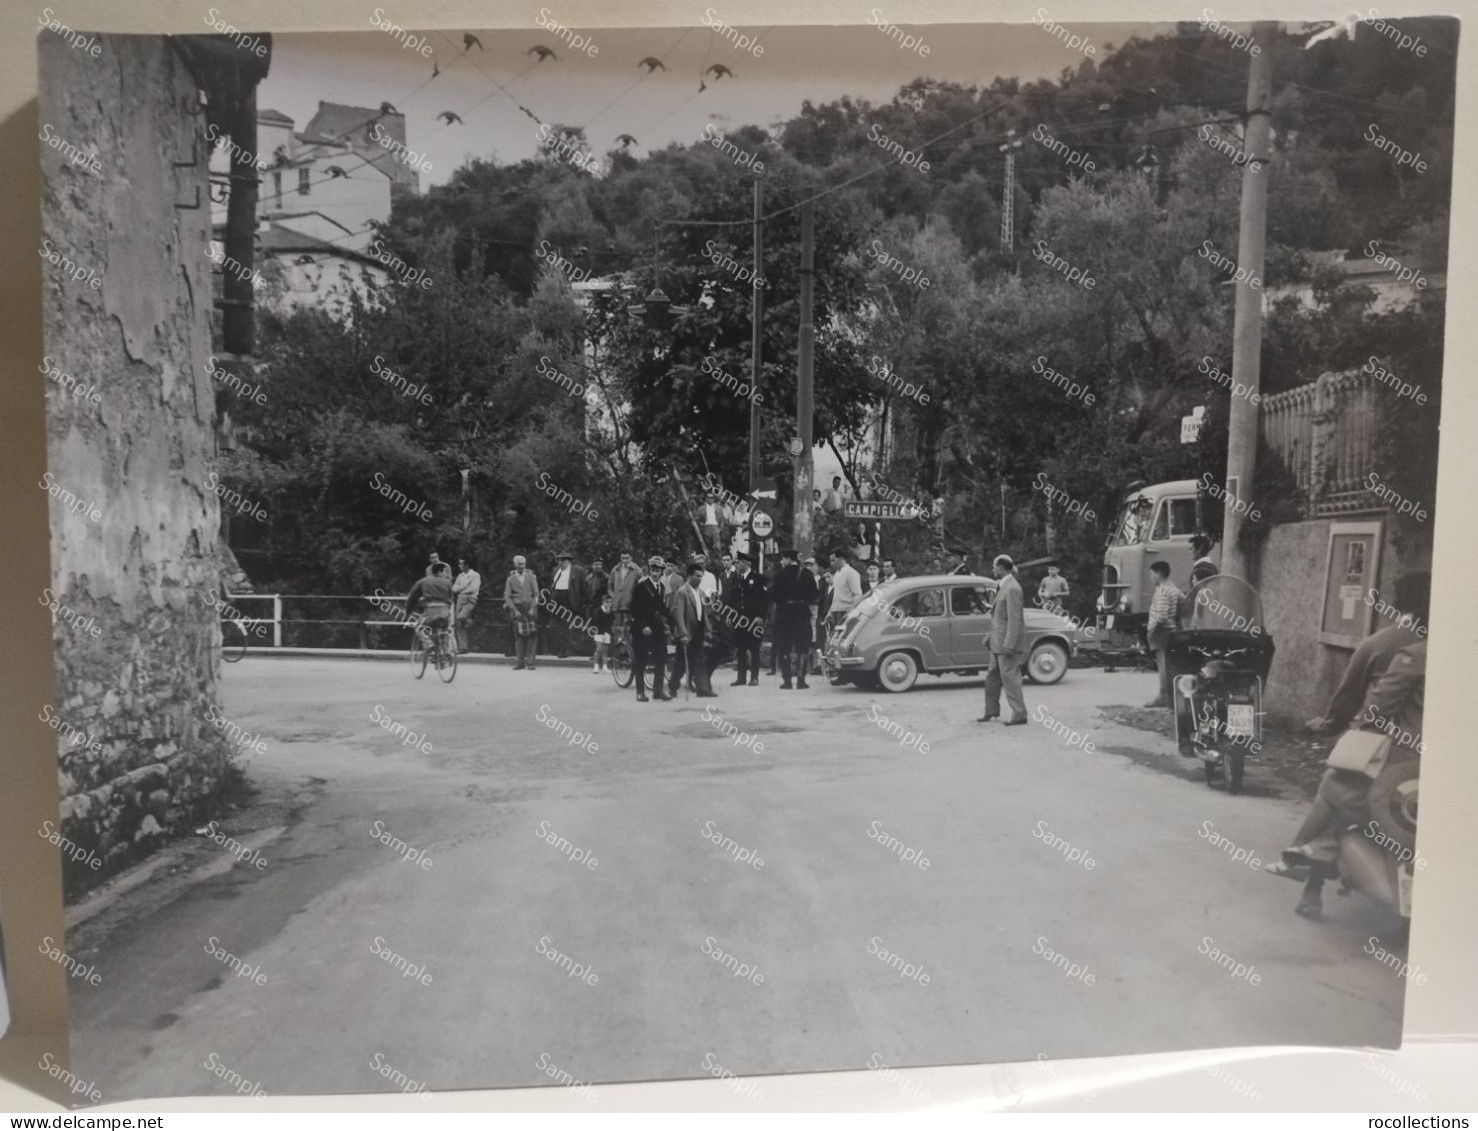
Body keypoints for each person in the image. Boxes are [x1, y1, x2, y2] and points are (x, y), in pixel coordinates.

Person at [1267, 640, 1426, 916]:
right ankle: (1314, 852)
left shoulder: (1404, 649)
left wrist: (1343, 727)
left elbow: (1369, 705)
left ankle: (1311, 872)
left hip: (1407, 769)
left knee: (1335, 786)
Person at [979, 554, 1027, 725]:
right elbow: (999, 618)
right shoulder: (1003, 586)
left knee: (1010, 679)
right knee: (992, 678)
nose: (992, 570)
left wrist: (1010, 643)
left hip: (1005, 645)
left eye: (994, 566)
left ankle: (1019, 714)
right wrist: (990, 637)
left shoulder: (1012, 588)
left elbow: (1015, 619)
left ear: (1000, 567)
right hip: (997, 643)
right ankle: (990, 711)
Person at [668, 562, 718, 698]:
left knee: (700, 661)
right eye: (697, 576)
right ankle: (672, 685)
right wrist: (683, 633)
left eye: (701, 576)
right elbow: (678, 615)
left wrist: (708, 631)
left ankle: (702, 689)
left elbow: (704, 614)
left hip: (698, 631)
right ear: (689, 576)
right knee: (681, 665)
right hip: (687, 633)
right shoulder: (682, 592)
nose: (699, 579)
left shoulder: (700, 593)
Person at [771, 548, 819, 689]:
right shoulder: (806, 574)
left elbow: (774, 596)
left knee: (784, 647)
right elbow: (814, 595)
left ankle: (786, 681)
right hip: (802, 614)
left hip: (784, 615)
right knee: (802, 647)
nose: (781, 562)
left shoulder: (780, 574)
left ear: (787, 559)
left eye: (782, 559)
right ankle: (801, 680)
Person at [630, 556, 673, 702]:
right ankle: (640, 692)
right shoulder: (641, 587)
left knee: (661, 658)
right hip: (642, 629)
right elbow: (634, 609)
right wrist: (642, 626)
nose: (655, 573)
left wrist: (673, 617)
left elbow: (661, 609)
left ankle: (658, 690)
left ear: (662, 572)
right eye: (653, 570)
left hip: (657, 629)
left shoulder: (661, 587)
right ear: (649, 570)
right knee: (640, 660)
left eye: (658, 571)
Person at [1143, 560, 1185, 708]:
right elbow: (1184, 601)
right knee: (1168, 664)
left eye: (1152, 573)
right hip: (1172, 630)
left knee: (1162, 665)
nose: (1150, 577)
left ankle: (1163, 697)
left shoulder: (1161, 591)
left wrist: (1152, 631)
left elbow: (1161, 615)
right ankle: (1170, 697)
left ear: (1158, 574)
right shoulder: (1173, 588)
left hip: (1161, 631)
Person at [726, 552, 768, 686]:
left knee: (754, 648)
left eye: (739, 562)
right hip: (739, 619)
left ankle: (754, 677)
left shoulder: (758, 578)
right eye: (736, 562)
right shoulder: (736, 578)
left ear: (747, 563)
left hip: (753, 619)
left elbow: (764, 600)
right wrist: (729, 614)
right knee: (741, 648)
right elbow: (732, 598)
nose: (736, 565)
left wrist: (761, 616)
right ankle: (741, 677)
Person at [406, 563, 455, 655]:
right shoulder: (448, 583)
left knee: (419, 627)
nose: (446, 575)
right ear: (439, 572)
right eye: (445, 572)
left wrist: (409, 611)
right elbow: (451, 599)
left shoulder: (423, 582)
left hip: (430, 612)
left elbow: (412, 597)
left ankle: (429, 645)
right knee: (444, 631)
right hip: (445, 613)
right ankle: (445, 652)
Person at [503, 555, 540, 671]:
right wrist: (514, 610)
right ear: (515, 565)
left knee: (532, 636)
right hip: (517, 608)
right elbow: (507, 597)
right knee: (518, 636)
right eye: (519, 564)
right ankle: (520, 662)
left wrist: (532, 608)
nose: (521, 566)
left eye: (523, 564)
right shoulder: (510, 579)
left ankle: (530, 662)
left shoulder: (530, 577)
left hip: (530, 608)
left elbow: (536, 594)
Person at [549, 551, 585, 658]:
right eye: (559, 560)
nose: (560, 563)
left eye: (562, 560)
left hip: (569, 599)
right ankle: (569, 646)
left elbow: (583, 586)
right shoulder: (556, 570)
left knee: (566, 625)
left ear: (568, 561)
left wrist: (580, 601)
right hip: (556, 599)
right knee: (553, 625)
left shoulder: (577, 570)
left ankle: (566, 649)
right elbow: (552, 584)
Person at [826, 547, 863, 635]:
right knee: (835, 639)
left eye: (833, 560)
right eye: (830, 561)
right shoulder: (837, 574)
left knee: (844, 638)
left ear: (841, 559)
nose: (831, 564)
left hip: (845, 612)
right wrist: (830, 611)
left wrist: (851, 613)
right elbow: (837, 595)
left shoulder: (851, 573)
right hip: (836, 612)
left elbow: (858, 595)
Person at [609, 551, 641, 643]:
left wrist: (635, 597)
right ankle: (618, 648)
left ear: (631, 558)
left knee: (627, 626)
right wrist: (613, 595)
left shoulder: (636, 570)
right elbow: (610, 585)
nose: (625, 560)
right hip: (617, 603)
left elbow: (642, 584)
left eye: (627, 558)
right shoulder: (615, 569)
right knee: (617, 627)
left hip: (629, 603)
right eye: (623, 558)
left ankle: (628, 649)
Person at [451, 557, 481, 652]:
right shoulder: (460, 576)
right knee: (458, 624)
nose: (459, 566)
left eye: (461, 564)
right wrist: (464, 587)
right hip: (460, 599)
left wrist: (461, 589)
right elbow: (454, 589)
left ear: (466, 565)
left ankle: (472, 623)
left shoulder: (475, 575)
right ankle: (463, 647)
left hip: (470, 599)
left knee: (461, 617)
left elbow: (473, 589)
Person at [591, 594, 615, 674]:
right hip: (598, 632)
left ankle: (605, 667)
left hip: (607, 632)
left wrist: (609, 632)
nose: (608, 604)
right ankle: (596, 666)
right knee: (599, 649)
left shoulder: (611, 612)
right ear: (603, 602)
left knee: (605, 650)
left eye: (610, 602)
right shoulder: (598, 611)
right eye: (606, 602)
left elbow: (611, 622)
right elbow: (597, 622)